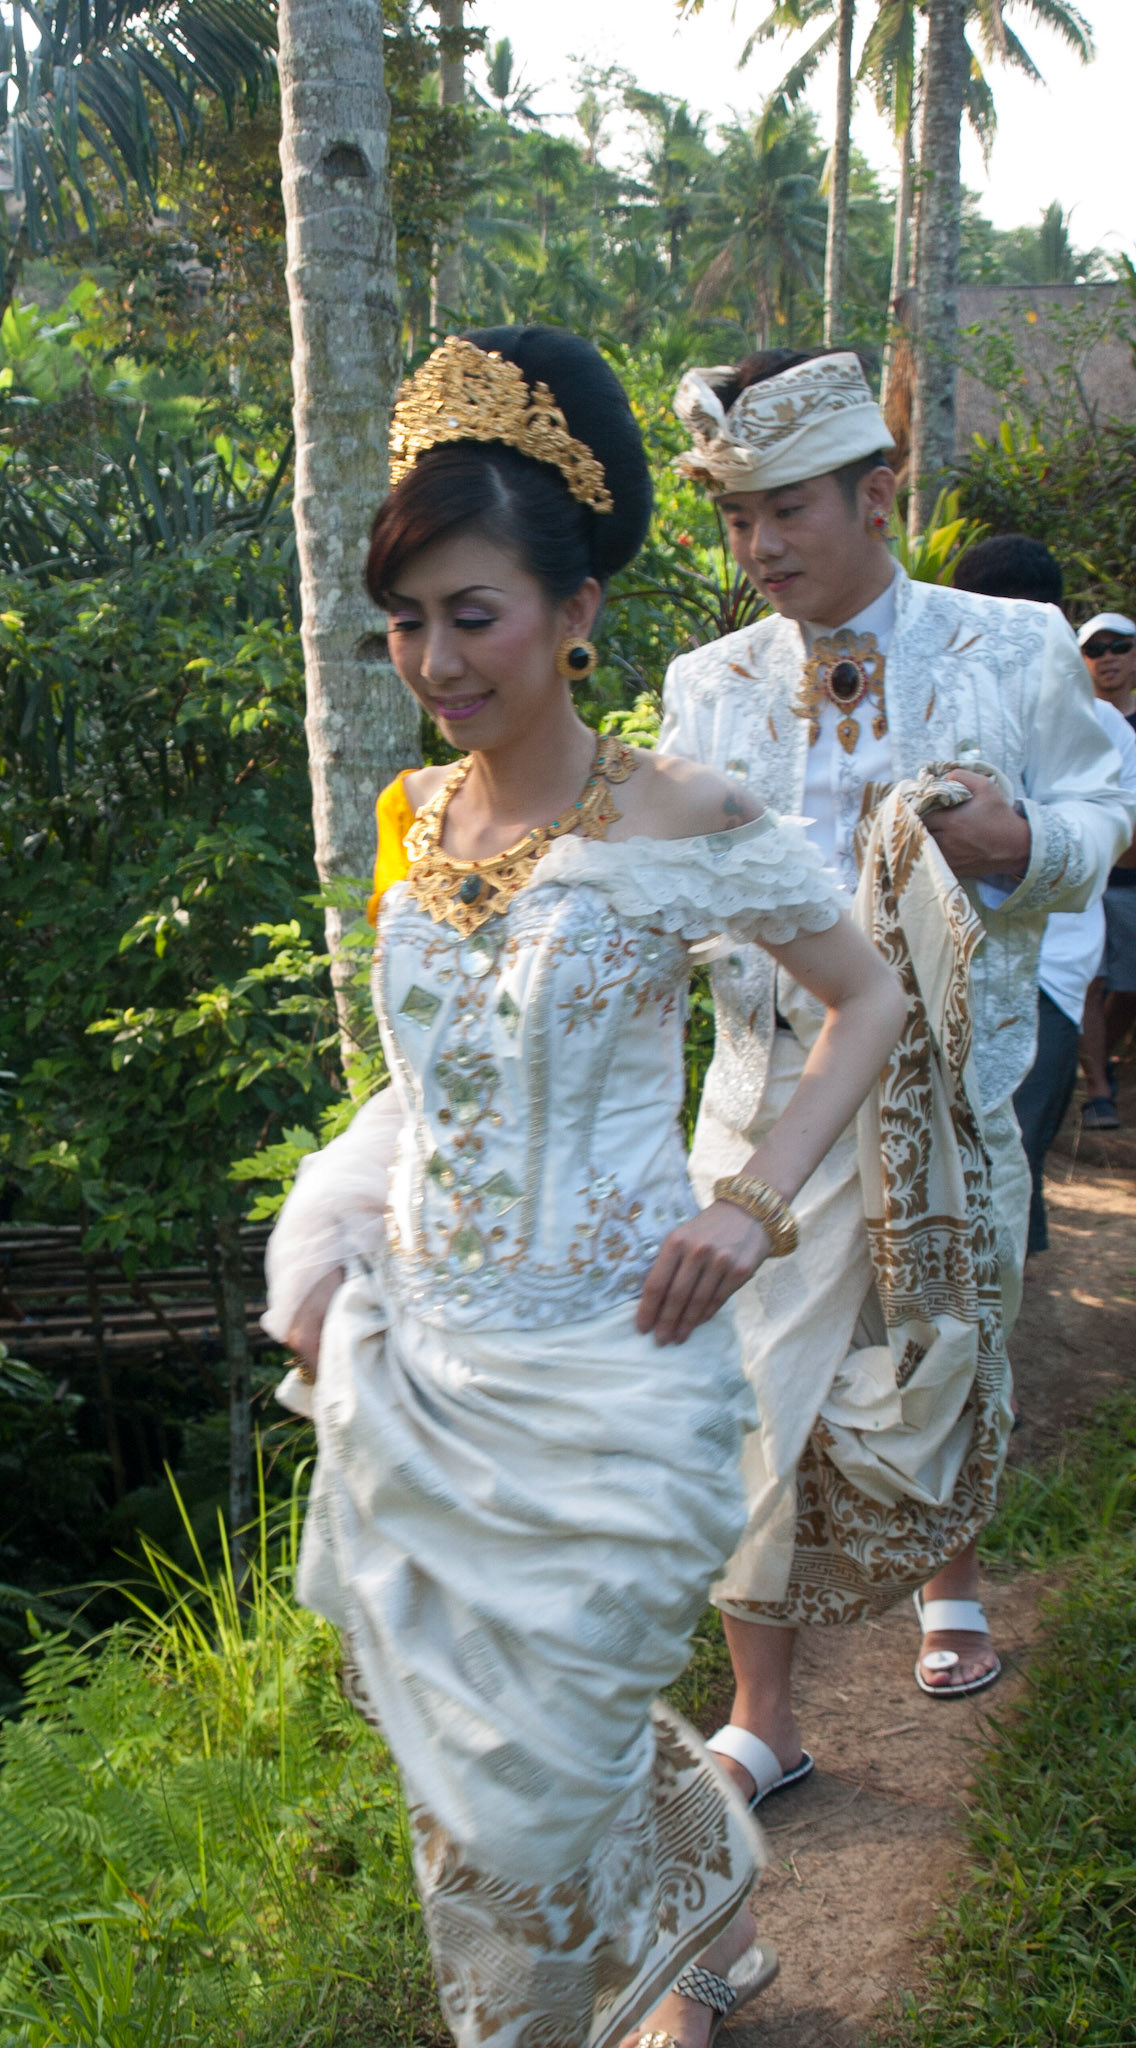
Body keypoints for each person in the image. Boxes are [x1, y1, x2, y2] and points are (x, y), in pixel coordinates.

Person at [262, 328, 907, 2048]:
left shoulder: (681, 813)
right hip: (431, 1362)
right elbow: (423, 1082)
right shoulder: (410, 817)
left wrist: (750, 1203)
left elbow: (870, 995)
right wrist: (331, 1242)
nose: (434, 658)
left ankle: (603, 1989)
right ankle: (678, 1900)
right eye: (406, 620)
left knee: (552, 1726)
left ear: (572, 609)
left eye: (470, 613)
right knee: (461, 1749)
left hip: (622, 1353)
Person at [659, 350, 1133, 1805]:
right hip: (763, 1102)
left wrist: (1021, 850)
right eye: (737, 520)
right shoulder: (705, 681)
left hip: (953, 1085)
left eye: (786, 509)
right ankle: (766, 1716)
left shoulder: (1015, 641)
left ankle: (950, 1574)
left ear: (877, 492)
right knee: (743, 1394)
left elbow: (1103, 802)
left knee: (942, 1345)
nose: (761, 549)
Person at [952, 544, 1136, 1248]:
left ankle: (990, 1340)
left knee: (1008, 1162)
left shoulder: (1105, 728)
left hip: (1045, 977)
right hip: (943, 974)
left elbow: (1111, 834)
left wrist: (1013, 840)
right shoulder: (934, 705)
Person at [1075, 611, 1136, 1130]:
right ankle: (1097, 1090)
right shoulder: (1075, 723)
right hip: (1091, 877)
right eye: (1095, 649)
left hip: (1133, 879)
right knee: (1089, 982)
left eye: (1119, 645)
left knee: (1128, 988)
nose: (1108, 657)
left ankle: (1101, 1064)